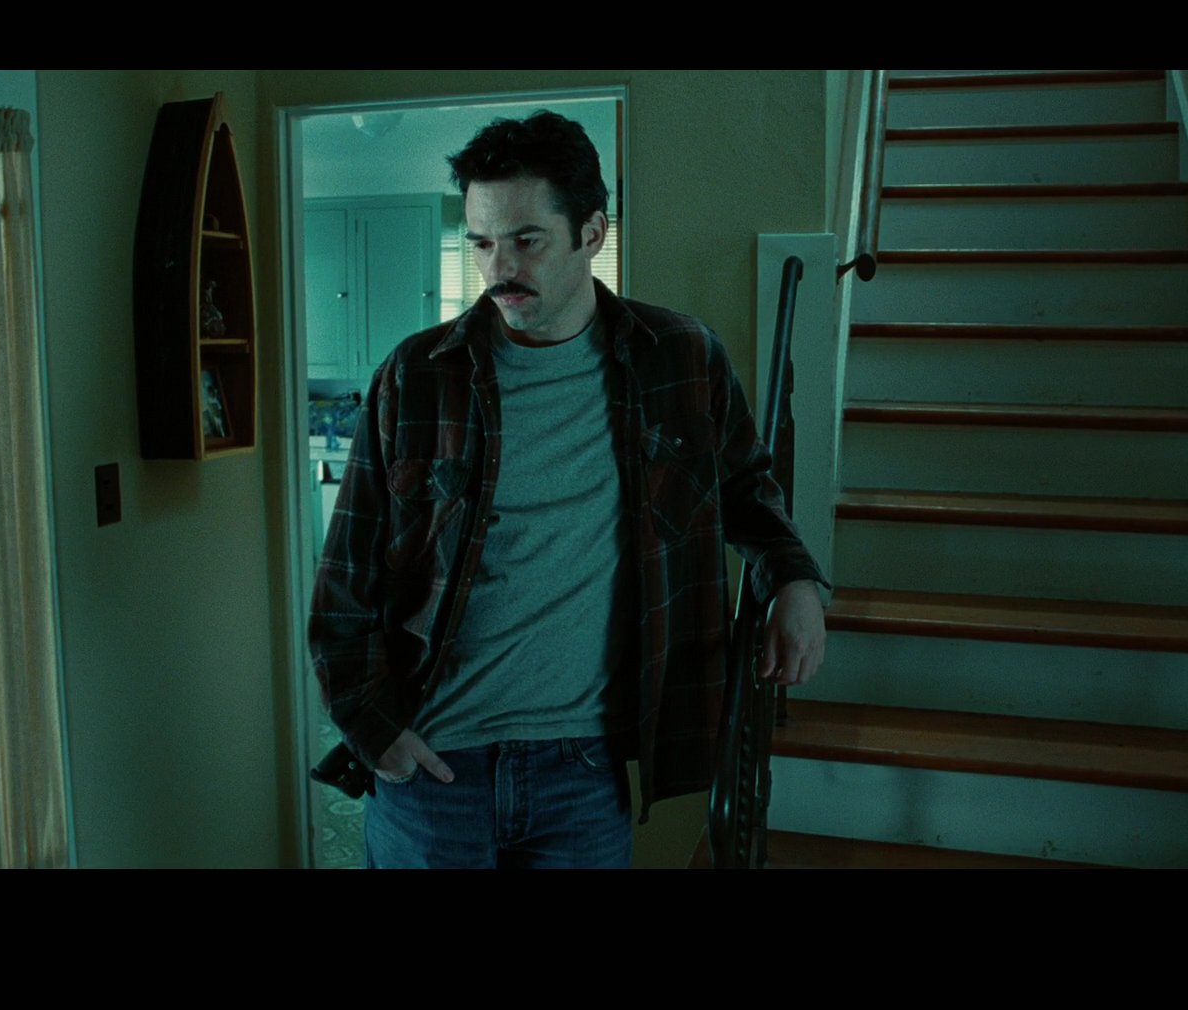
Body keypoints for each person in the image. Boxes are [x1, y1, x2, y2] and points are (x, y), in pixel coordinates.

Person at [308, 109, 827, 868]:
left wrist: (794, 578)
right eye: (481, 242)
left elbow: (747, 487)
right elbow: (342, 584)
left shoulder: (678, 358)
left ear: (592, 233)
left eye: (527, 240)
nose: (499, 267)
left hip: (582, 772)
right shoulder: (416, 378)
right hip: (434, 771)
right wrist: (373, 728)